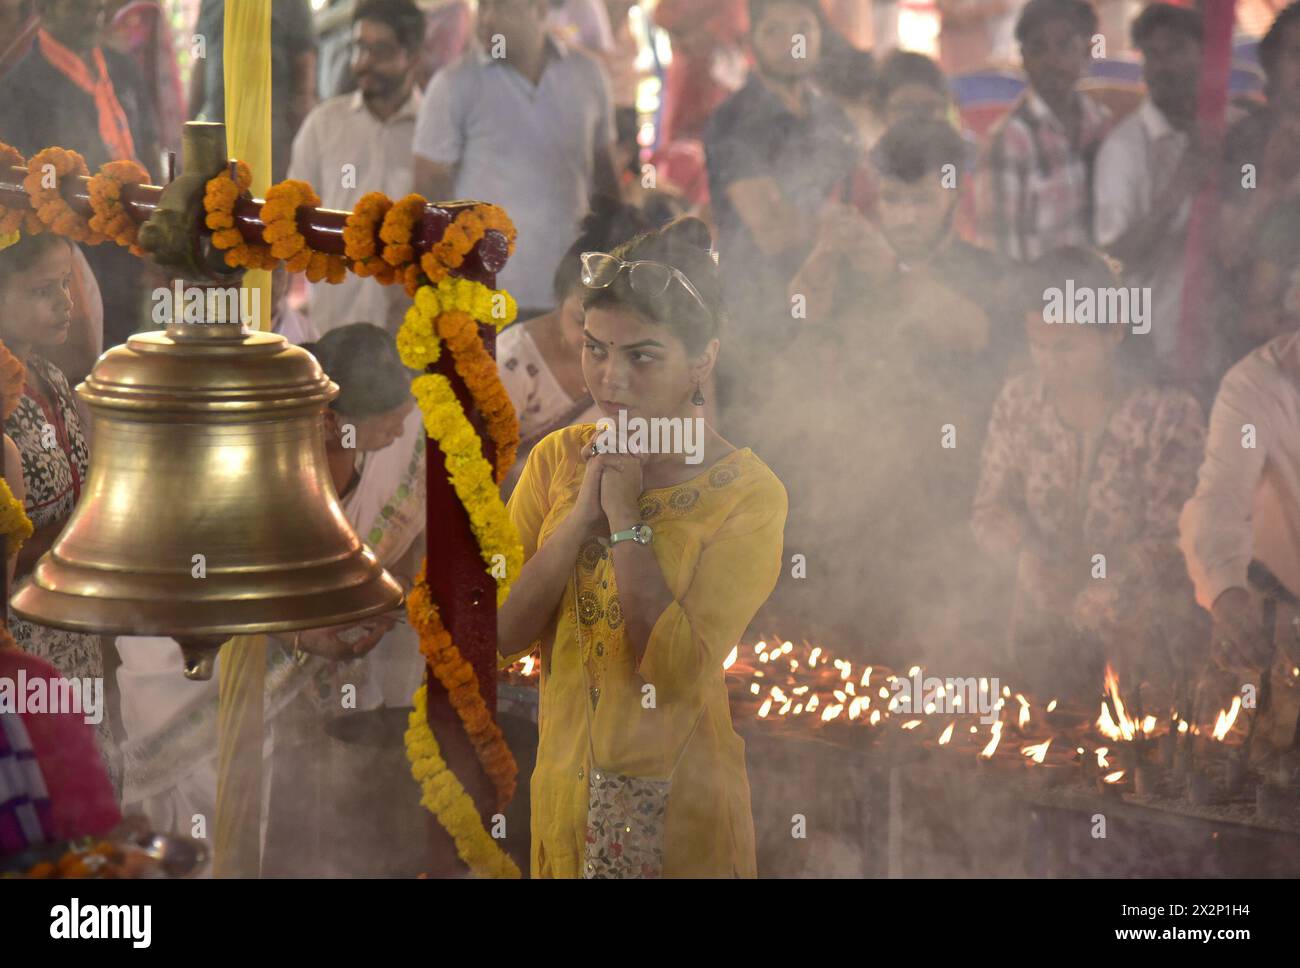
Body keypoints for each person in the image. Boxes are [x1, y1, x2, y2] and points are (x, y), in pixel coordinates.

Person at [499, 217, 787, 878]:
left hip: (684, 813)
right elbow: (501, 633)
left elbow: (677, 671)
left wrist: (625, 520)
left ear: (703, 360)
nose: (609, 379)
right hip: (565, 799)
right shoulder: (558, 459)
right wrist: (576, 523)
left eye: (642, 356)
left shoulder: (746, 495)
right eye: (595, 349)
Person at [115, 323, 423, 874]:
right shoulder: (251, 456)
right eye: (389, 422)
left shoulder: (364, 442)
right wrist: (303, 633)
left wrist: (373, 605)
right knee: (206, 802)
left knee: (255, 804)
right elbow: (206, 578)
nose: (401, 434)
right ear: (332, 419)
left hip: (269, 660)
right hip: (189, 654)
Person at [771, 120, 1019, 662]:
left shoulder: (987, 271)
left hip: (947, 498)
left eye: (921, 200)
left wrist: (890, 270)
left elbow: (971, 331)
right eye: (892, 199)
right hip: (855, 493)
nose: (904, 216)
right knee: (843, 664)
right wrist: (825, 251)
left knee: (936, 655)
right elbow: (798, 313)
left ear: (954, 192)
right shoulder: (855, 266)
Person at [972, 247, 1206, 704]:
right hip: (1038, 643)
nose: (1047, 361)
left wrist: (1106, 592)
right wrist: (1024, 557)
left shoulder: (1168, 414)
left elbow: (1178, 539)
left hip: (1147, 653)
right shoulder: (1020, 401)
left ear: (1113, 332)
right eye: (1037, 344)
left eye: (1065, 347)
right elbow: (990, 507)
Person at [0, 232, 119, 792]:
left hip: (74, 638)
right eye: (43, 290)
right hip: (18, 648)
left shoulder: (47, 376)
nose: (65, 303)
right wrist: (89, 533)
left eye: (66, 284)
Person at [412, 0, 619, 319]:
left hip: (574, 294)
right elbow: (428, 193)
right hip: (485, 296)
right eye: (483, 6)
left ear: (539, 9)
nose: (487, 18)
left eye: (502, 7)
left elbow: (606, 181)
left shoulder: (587, 75)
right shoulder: (454, 85)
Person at [704, 0, 860, 366]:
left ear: (821, 35)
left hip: (834, 315)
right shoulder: (734, 120)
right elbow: (773, 232)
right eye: (774, 30)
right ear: (751, 41)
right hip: (759, 318)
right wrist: (844, 227)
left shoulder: (835, 118)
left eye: (804, 27)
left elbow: (865, 205)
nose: (792, 40)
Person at [0, 0, 158, 349]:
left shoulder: (121, 68)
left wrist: (156, 220)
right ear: (44, 9)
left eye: (98, 8)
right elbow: (25, 190)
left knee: (129, 345)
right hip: (70, 252)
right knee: (84, 352)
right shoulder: (18, 89)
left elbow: (148, 142)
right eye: (79, 8)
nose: (92, 17)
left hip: (129, 239)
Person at [1093, 3, 1226, 389]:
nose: (1165, 66)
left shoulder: (1226, 133)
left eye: (1177, 50)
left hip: (1220, 350)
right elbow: (1113, 260)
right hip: (1153, 357)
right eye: (1154, 54)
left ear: (1204, 56)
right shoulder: (1124, 149)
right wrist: (1181, 184)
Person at [288, 0, 424, 336]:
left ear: (413, 57)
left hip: (410, 328)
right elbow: (293, 218)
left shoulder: (434, 133)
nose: (364, 63)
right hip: (333, 322)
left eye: (381, 51)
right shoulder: (324, 124)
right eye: (359, 48)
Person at [498, 196, 650, 493]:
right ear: (559, 296)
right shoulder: (511, 362)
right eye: (580, 322)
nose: (594, 342)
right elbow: (479, 483)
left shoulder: (641, 358)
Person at [977, 0, 1111, 261]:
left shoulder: (1101, 125)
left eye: (1065, 46)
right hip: (1036, 297)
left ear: (1087, 51)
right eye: (1038, 48)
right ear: (1024, 59)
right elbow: (1002, 260)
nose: (1052, 60)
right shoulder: (1008, 140)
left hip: (1098, 293)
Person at [189, 0, 317, 184]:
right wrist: (188, 123)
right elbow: (201, 61)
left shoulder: (292, 4)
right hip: (218, 130)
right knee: (217, 202)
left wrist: (299, 141)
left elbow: (304, 67)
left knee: (268, 206)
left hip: (270, 134)